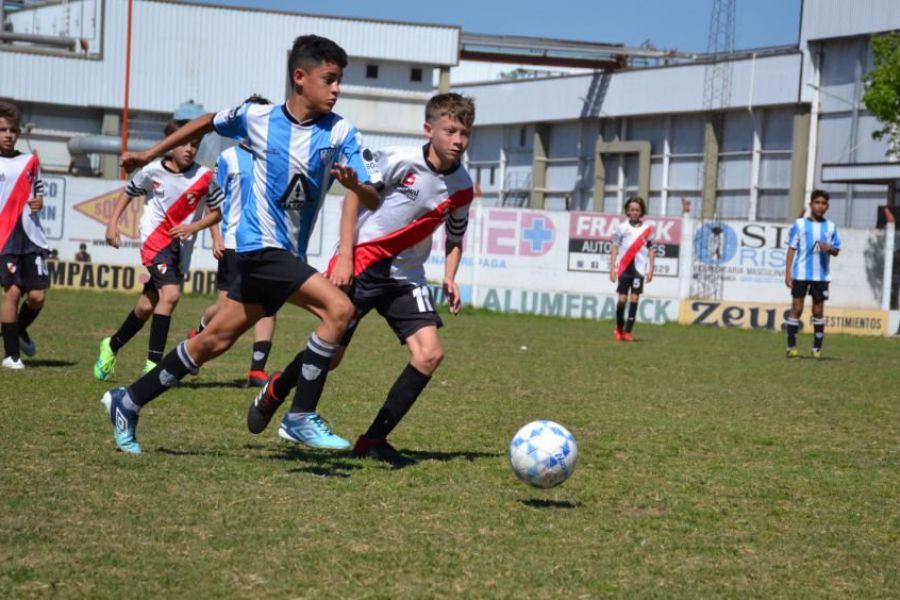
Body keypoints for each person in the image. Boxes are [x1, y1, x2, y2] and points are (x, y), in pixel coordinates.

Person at [100, 34, 381, 455]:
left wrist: (357, 185)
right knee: (340, 309)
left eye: (340, 80)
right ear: (300, 78)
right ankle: (300, 414)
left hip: (286, 253)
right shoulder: (258, 117)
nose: (337, 89)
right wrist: (148, 154)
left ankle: (128, 400)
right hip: (257, 247)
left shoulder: (341, 132)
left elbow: (373, 197)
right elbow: (210, 119)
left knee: (212, 341)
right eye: (330, 79)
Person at [246, 93, 475, 467]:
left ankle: (373, 439)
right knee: (331, 358)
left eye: (465, 133)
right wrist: (346, 258)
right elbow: (353, 197)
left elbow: (455, 233)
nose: (458, 140)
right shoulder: (399, 160)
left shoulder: (463, 185)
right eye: (450, 130)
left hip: (406, 277)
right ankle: (277, 388)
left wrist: (450, 275)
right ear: (429, 129)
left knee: (430, 354)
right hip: (364, 263)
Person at [93, 118, 223, 380]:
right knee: (171, 295)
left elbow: (216, 211)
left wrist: (206, 233)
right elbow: (129, 192)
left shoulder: (205, 176)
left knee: (146, 305)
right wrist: (112, 223)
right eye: (184, 143)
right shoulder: (152, 171)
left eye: (195, 144)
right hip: (155, 242)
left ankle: (111, 345)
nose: (189, 149)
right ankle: (154, 366)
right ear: (171, 144)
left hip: (180, 248)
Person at [189, 96, 278, 388]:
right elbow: (215, 202)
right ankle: (200, 333)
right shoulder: (227, 159)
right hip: (234, 244)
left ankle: (256, 370)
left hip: (267, 242)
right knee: (226, 310)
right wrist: (215, 236)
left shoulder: (276, 156)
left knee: (268, 305)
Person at [0, 101, 48, 369]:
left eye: (13, 130)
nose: (8, 134)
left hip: (31, 237)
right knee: (13, 292)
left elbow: (38, 190)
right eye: (3, 129)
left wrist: (39, 201)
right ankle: (11, 355)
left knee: (38, 296)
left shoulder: (30, 161)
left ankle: (15, 329)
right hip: (4, 238)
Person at [784, 189, 841, 359]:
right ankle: (791, 347)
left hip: (821, 276)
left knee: (818, 311)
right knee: (797, 308)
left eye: (823, 203)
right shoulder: (800, 224)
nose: (820, 206)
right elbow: (791, 248)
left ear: (827, 206)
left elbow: (836, 250)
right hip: (800, 274)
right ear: (811, 205)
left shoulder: (831, 227)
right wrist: (788, 272)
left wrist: (829, 249)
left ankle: (816, 349)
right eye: (817, 202)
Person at [608, 196, 655, 341]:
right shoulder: (621, 228)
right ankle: (619, 328)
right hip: (624, 268)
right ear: (628, 211)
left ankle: (628, 331)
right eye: (632, 209)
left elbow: (652, 249)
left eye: (637, 210)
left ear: (641, 212)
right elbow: (615, 247)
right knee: (622, 299)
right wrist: (612, 268)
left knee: (634, 298)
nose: (635, 212)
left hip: (639, 270)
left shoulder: (648, 230)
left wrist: (651, 269)